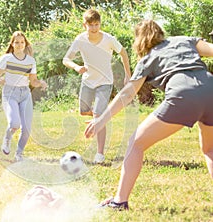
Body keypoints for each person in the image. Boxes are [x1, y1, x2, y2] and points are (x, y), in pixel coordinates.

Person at [84, 19, 213, 210]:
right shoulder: (185, 40)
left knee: (136, 143)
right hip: (210, 88)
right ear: (160, 32)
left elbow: (127, 94)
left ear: (140, 40)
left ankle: (119, 201)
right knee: (209, 149)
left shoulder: (148, 58)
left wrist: (101, 120)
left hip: (183, 94)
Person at [63, 9, 131, 164]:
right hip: (87, 81)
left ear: (100, 23)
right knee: (84, 111)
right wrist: (76, 67)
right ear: (84, 25)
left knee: (98, 117)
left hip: (105, 81)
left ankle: (99, 153)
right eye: (91, 25)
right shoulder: (80, 39)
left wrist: (128, 74)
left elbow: (123, 52)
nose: (94, 28)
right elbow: (66, 59)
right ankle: (100, 116)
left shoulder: (108, 39)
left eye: (96, 24)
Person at [0, 31, 47, 162]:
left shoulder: (30, 61)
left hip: (25, 94)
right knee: (14, 123)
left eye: (22, 42)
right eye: (16, 42)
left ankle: (19, 154)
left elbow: (33, 81)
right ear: (12, 43)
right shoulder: (6, 58)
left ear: (25, 44)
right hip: (10, 93)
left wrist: (41, 83)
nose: (19, 44)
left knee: (27, 129)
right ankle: (7, 138)